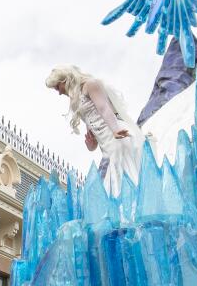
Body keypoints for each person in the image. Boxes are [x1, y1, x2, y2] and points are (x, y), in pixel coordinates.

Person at [44, 64, 140, 194]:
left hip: (117, 136)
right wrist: (92, 143)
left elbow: (104, 108)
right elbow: (91, 127)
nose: (59, 93)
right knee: (111, 184)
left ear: (64, 80)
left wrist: (115, 129)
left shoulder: (90, 85)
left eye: (57, 87)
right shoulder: (75, 102)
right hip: (106, 145)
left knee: (121, 179)